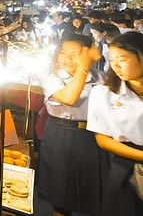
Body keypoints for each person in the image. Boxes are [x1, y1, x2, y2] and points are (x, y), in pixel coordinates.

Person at [36, 34, 103, 216]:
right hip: (61, 135)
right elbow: (69, 98)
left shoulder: (101, 78)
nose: (67, 58)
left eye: (75, 53)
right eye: (63, 53)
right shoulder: (50, 76)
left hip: (92, 136)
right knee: (61, 196)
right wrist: (83, 67)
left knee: (92, 192)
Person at [86, 32, 143, 215]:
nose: (115, 65)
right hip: (124, 165)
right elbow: (102, 138)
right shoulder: (104, 94)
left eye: (122, 59)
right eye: (111, 59)